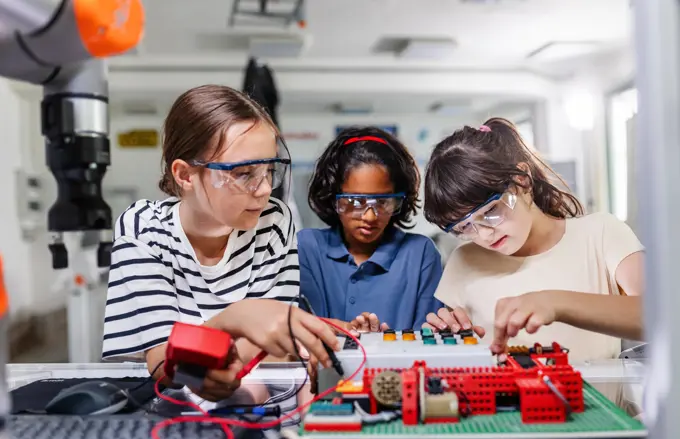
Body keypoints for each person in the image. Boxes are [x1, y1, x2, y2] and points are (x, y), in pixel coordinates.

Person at [101, 85, 339, 403]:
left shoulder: (274, 221)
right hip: (172, 419)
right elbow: (162, 363)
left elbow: (270, 349)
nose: (265, 188)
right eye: (243, 173)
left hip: (260, 409)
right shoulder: (144, 228)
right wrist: (235, 317)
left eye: (270, 170)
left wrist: (210, 356)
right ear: (185, 175)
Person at [421, 118, 644, 362]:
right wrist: (447, 341)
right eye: (464, 226)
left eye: (491, 211)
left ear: (522, 180)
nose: (484, 234)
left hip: (599, 401)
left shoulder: (600, 233)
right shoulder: (464, 260)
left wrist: (555, 302)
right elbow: (460, 354)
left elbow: (663, 316)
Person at [298, 127, 443, 332]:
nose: (369, 217)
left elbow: (429, 339)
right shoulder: (307, 247)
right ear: (332, 196)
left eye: (383, 202)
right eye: (355, 201)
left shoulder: (420, 254)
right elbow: (297, 328)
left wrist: (383, 347)